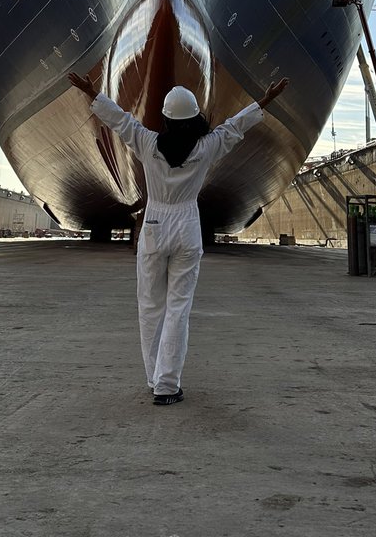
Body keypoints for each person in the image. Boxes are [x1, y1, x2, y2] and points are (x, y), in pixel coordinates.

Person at [67, 71, 289, 405]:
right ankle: (167, 385)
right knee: (178, 308)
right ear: (195, 117)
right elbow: (234, 127)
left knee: (150, 305)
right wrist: (266, 100)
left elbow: (120, 120)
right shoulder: (207, 147)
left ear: (166, 120)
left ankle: (154, 377)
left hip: (155, 223)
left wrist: (91, 91)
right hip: (187, 224)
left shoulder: (147, 142)